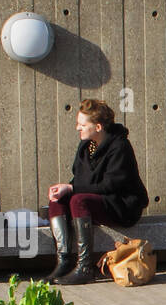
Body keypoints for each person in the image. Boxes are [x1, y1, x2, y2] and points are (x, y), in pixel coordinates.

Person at [46, 99, 148, 285]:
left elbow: (110, 185)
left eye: (82, 124)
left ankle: (85, 267)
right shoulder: (85, 147)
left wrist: (72, 189)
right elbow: (79, 180)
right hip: (97, 200)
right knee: (57, 201)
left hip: (121, 205)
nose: (78, 128)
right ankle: (64, 261)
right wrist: (64, 190)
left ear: (98, 126)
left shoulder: (120, 147)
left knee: (78, 200)